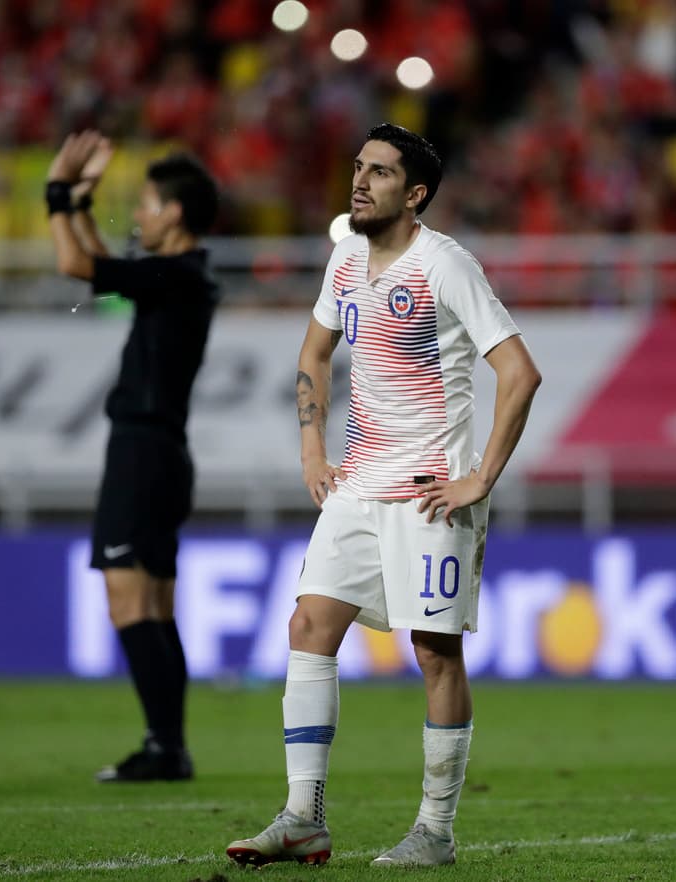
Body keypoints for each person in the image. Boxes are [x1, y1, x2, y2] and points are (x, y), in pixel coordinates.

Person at [225, 124, 542, 867]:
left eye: (380, 173)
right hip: (358, 485)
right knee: (308, 624)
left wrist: (480, 479)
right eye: (359, 167)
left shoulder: (445, 265)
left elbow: (520, 373)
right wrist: (313, 448)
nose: (360, 182)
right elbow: (314, 351)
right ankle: (303, 817)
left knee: (434, 653)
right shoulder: (345, 258)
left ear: (416, 193)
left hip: (431, 493)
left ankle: (435, 831)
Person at [45, 131, 220, 782]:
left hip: (142, 452)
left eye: (145, 205)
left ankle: (163, 747)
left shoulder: (176, 275)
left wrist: (57, 194)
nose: (138, 217)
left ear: (173, 212)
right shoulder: (181, 276)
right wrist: (80, 207)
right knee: (156, 607)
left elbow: (76, 266)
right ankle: (168, 746)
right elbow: (103, 270)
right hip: (163, 452)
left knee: (130, 603)